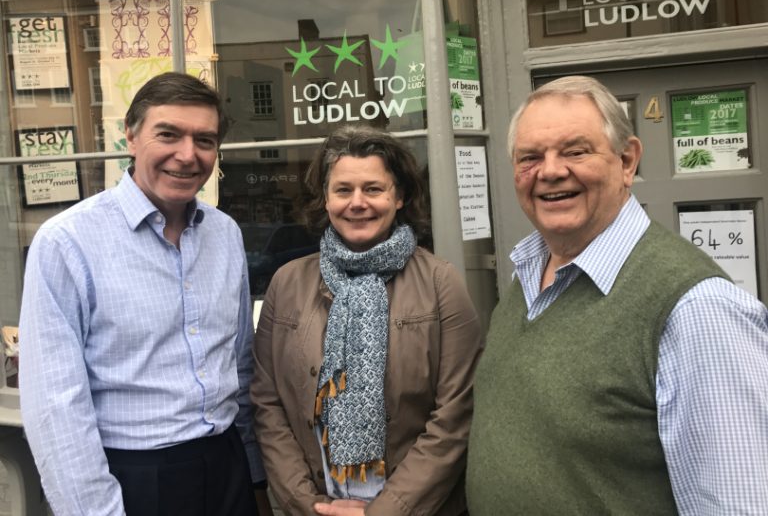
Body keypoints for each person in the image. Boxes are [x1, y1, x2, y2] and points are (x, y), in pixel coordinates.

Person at [466, 75, 768, 514]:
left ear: (627, 161)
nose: (550, 171)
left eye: (575, 151)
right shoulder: (527, 276)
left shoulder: (697, 307)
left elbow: (739, 504)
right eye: (530, 157)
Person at [19, 72, 271, 515]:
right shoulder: (67, 242)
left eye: (205, 140)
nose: (188, 155)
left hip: (227, 465)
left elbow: (240, 361)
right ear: (131, 137)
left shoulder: (225, 234)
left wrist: (254, 472)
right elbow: (56, 407)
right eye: (168, 134)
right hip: (133, 479)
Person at [251, 124, 483, 516]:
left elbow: (456, 414)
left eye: (373, 189)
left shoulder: (440, 282)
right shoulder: (287, 282)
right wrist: (307, 503)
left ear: (399, 197)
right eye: (343, 190)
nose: (357, 202)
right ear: (325, 199)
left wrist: (387, 510)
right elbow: (267, 403)